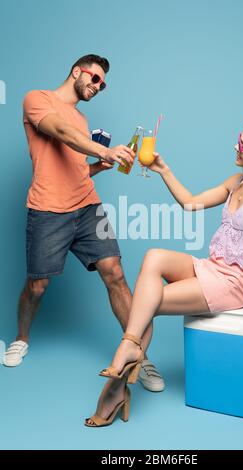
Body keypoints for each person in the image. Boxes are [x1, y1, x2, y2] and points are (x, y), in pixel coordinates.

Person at [84, 120, 243, 427]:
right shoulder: (236, 181)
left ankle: (117, 380)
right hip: (212, 268)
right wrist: (163, 169)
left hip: (233, 283)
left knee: (147, 302)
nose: (235, 147)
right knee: (154, 258)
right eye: (238, 139)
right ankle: (129, 352)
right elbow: (190, 203)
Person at [3, 54, 165, 392]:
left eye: (103, 84)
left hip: (87, 207)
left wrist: (97, 167)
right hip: (48, 210)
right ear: (77, 71)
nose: (98, 86)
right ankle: (20, 337)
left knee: (116, 273)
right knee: (38, 286)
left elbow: (75, 166)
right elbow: (59, 133)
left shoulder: (82, 119)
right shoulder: (37, 99)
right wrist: (104, 151)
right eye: (95, 79)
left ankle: (139, 357)